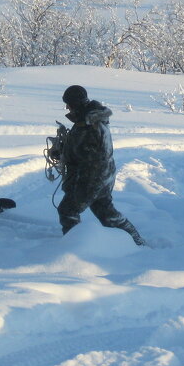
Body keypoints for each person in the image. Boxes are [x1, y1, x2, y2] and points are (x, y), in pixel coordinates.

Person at [48, 84, 146, 246]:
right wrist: (61, 152)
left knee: (68, 211)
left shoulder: (91, 127)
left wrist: (83, 189)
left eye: (69, 103)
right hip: (103, 177)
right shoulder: (86, 121)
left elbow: (93, 162)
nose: (67, 107)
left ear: (76, 103)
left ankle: (75, 248)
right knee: (107, 214)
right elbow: (80, 149)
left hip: (93, 179)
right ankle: (137, 241)